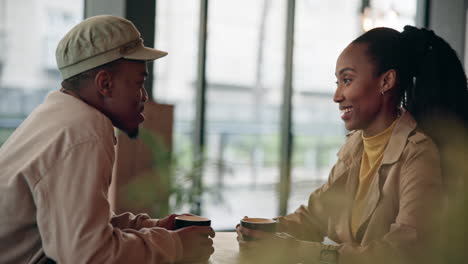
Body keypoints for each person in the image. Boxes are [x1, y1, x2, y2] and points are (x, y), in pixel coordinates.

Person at [237, 25, 468, 264]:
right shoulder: (356, 145)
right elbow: (316, 216)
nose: (337, 96)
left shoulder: (419, 154)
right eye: (337, 82)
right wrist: (264, 231)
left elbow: (404, 252)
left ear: (386, 81)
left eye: (347, 80)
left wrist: (297, 250)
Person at [0, 15, 215, 263]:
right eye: (139, 82)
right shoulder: (85, 131)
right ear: (105, 83)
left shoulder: (58, 116)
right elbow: (89, 255)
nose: (144, 95)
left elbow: (73, 223)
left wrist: (147, 226)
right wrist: (175, 246)